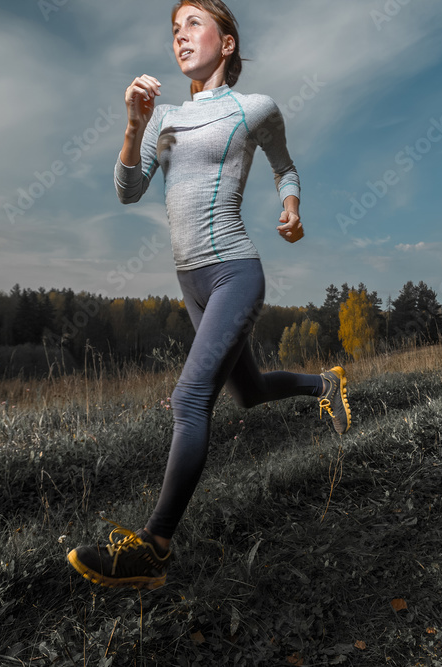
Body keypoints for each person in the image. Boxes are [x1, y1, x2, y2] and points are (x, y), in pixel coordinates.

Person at [67, 0, 351, 590]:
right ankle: (325, 383)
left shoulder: (254, 109)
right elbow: (128, 191)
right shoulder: (164, 116)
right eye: (174, 29)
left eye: (193, 24)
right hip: (189, 280)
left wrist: (291, 209)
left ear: (225, 44)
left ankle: (153, 550)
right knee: (246, 393)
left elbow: (286, 168)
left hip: (233, 271)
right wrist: (133, 125)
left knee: (189, 400)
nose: (180, 36)